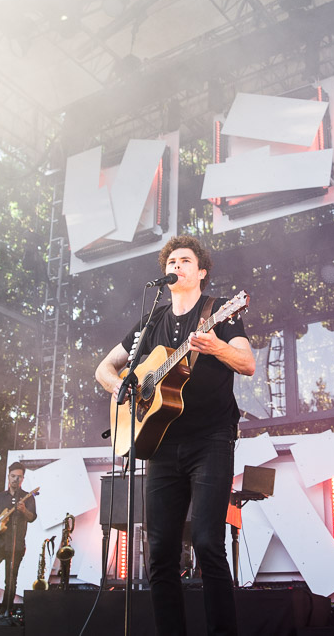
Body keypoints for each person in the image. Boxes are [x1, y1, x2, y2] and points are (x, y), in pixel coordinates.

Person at [95, 235, 255, 636]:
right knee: (160, 554)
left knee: (207, 542)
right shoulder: (152, 321)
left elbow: (247, 363)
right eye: (171, 261)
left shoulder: (219, 310)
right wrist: (121, 388)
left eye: (185, 260)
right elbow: (104, 369)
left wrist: (216, 347)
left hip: (211, 440)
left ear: (201, 271)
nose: (176, 266)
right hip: (160, 443)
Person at [0, 461, 37, 615]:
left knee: (11, 577)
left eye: (19, 477)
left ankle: (6, 608)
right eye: (13, 476)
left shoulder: (27, 497)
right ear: (8, 477)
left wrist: (24, 511)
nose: (15, 479)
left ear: (23, 479)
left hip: (16, 544)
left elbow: (32, 518)